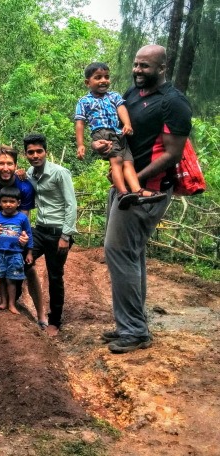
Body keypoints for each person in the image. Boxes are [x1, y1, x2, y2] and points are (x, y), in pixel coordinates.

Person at [96, 45, 192, 353]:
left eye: (145, 66)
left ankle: (134, 330)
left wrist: (136, 183)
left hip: (146, 191)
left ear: (162, 68)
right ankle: (132, 325)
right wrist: (106, 147)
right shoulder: (131, 95)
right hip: (124, 185)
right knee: (131, 254)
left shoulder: (174, 103)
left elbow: (172, 153)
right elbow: (122, 136)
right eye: (136, 65)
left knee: (119, 251)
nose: (137, 70)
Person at [75, 62, 167, 209]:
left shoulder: (114, 96)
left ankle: (138, 190)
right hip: (103, 133)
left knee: (128, 162)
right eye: (98, 77)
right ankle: (122, 192)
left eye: (106, 77)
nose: (103, 80)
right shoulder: (85, 101)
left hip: (119, 133)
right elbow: (80, 122)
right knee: (116, 161)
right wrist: (80, 144)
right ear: (88, 82)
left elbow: (121, 108)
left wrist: (127, 124)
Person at [24, 133, 77, 337]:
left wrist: (66, 236)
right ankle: (19, 305)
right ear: (26, 154)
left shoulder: (59, 173)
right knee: (22, 260)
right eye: (31, 152)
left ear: (45, 152)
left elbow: (71, 204)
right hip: (39, 230)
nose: (35, 155)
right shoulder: (30, 173)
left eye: (39, 151)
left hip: (58, 233)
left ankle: (55, 321)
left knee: (55, 276)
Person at [0, 145, 45, 325]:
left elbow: (24, 218)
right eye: (1, 163)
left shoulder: (25, 186)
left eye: (10, 164)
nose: (6, 168)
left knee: (31, 267)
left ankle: (41, 314)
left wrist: (23, 239)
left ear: (16, 165)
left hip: (16, 230)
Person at [0, 186, 33, 314]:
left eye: (12, 201)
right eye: (5, 201)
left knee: (12, 279)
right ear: (0, 202)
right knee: (2, 277)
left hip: (16, 253)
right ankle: (3, 302)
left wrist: (29, 252)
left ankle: (12, 304)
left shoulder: (22, 218)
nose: (8, 204)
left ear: (18, 203)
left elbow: (29, 234)